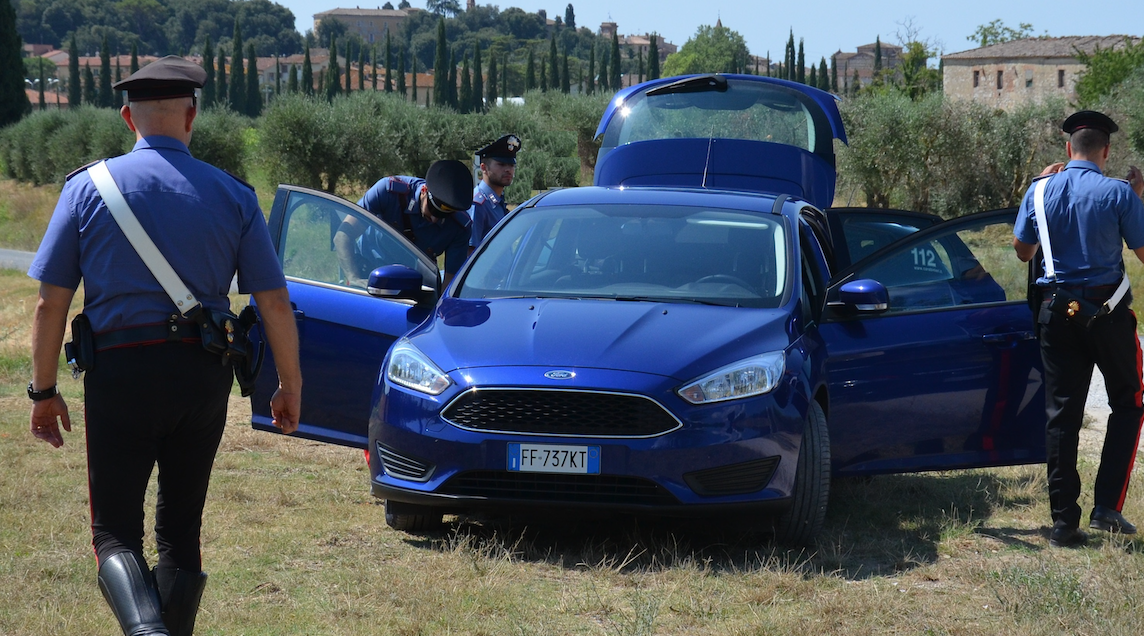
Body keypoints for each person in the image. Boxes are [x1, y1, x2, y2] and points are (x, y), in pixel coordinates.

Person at [27, 56, 302, 635]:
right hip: (202, 374)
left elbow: (50, 304)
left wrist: (43, 391)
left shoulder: (86, 189)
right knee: (181, 530)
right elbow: (275, 302)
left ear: (128, 118)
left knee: (113, 534)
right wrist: (288, 386)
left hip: (120, 372)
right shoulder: (234, 194)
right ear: (191, 116)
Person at [1012, 110, 1144, 548]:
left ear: (1069, 149)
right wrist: (1135, 201)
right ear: (1106, 151)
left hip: (1056, 313)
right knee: (1129, 402)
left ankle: (1063, 524)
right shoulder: (1119, 192)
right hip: (1108, 314)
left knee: (1062, 417)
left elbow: (1023, 251)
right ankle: (1107, 507)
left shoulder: (1038, 190)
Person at [336, 160, 473, 287]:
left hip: (412, 285)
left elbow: (450, 281)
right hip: (366, 273)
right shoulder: (388, 192)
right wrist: (353, 278)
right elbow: (343, 236)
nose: (434, 219)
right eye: (432, 210)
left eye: (444, 216)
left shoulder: (460, 227)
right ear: (424, 191)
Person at [469, 134, 521, 250]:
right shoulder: (477, 204)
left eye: (511, 165)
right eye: (501, 164)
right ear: (484, 168)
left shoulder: (497, 202)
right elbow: (470, 253)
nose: (508, 170)